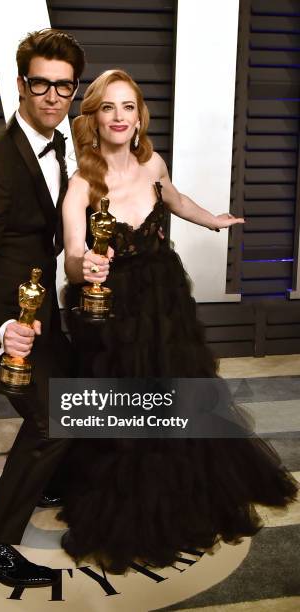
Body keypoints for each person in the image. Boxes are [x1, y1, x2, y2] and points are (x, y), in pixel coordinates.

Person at [59, 69, 299, 574]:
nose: (120, 117)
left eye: (128, 107)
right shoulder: (82, 184)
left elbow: (175, 198)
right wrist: (88, 268)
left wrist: (212, 219)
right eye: (108, 107)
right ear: (94, 119)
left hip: (165, 305)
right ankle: (132, 507)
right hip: (114, 315)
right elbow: (72, 256)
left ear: (139, 116)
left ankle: (182, 487)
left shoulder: (153, 164)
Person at [0, 28, 85, 588]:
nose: (53, 97)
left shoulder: (58, 145)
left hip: (35, 310)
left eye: (65, 87)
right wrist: (4, 328)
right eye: (41, 84)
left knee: (72, 398)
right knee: (53, 419)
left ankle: (47, 479)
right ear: (22, 85)